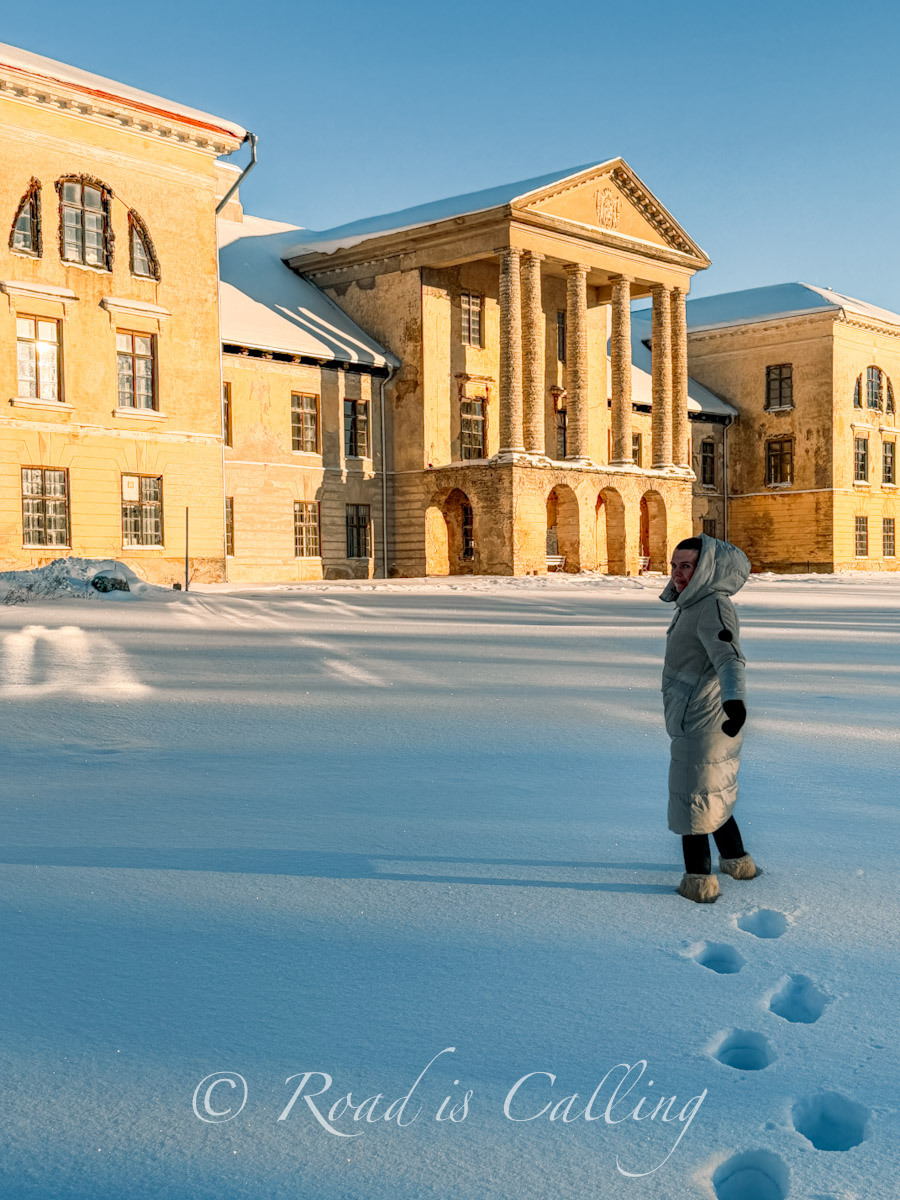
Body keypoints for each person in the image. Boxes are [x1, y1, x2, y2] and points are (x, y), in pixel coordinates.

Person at [661, 533, 757, 902]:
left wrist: (734, 702)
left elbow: (729, 658)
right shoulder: (693, 603)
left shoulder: (711, 606)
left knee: (692, 801)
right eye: (674, 565)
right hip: (698, 715)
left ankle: (698, 883)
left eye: (686, 566)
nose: (677, 574)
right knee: (710, 794)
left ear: (706, 568)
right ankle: (737, 861)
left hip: (705, 720)